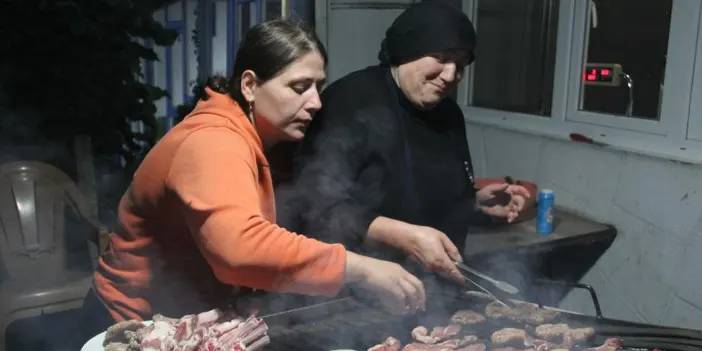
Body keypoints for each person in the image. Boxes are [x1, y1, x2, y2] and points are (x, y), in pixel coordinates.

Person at [83, 19, 426, 338]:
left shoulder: (262, 136)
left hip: (191, 317)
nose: (316, 102)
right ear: (249, 85)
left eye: (318, 87)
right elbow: (239, 249)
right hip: (132, 326)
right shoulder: (213, 141)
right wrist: (361, 268)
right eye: (299, 87)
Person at [275, 2, 530, 286]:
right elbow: (317, 206)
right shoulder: (351, 102)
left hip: (436, 290)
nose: (451, 74)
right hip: (357, 290)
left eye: (461, 64)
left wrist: (474, 203)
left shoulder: (449, 114)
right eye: (441, 57)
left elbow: (420, 193)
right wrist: (403, 236)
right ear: (408, 49)